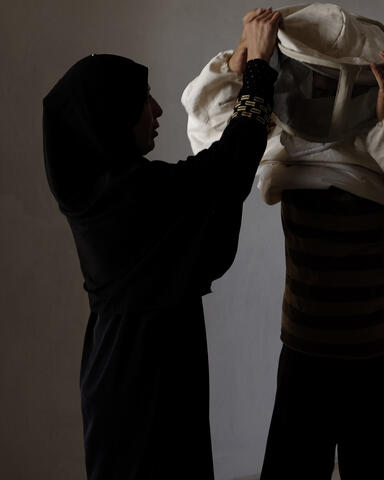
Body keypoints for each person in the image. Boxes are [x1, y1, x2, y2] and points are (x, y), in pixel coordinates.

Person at [182, 4, 384, 479]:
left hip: (382, 357)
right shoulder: (281, 137)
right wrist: (244, 55)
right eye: (315, 79)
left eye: (334, 81)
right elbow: (210, 138)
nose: (325, 91)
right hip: (306, 351)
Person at [42, 9, 281, 479]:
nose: (157, 110)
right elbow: (228, 166)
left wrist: (237, 69)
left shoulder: (90, 189)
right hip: (144, 374)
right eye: (142, 101)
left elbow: (213, 174)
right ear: (111, 116)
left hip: (123, 363)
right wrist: (257, 69)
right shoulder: (131, 197)